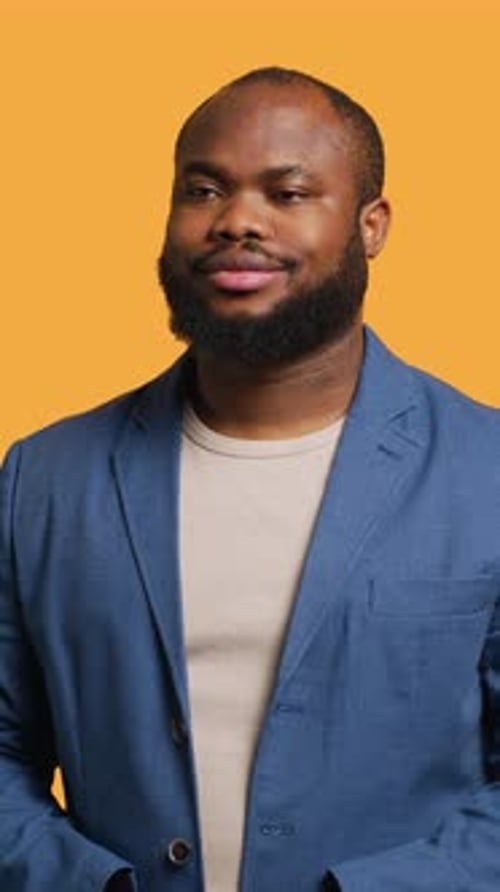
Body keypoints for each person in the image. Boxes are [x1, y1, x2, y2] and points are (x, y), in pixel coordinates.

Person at [1, 66, 499, 892]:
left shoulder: (484, 470)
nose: (236, 221)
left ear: (371, 226)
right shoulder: (45, 478)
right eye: (203, 189)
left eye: (288, 193)